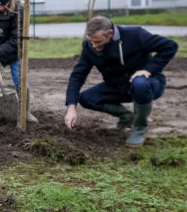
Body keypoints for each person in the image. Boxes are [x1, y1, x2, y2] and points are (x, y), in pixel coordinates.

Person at [64, 16, 178, 147]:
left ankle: (140, 127)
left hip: (148, 84)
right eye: (91, 41)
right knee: (85, 98)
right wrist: (71, 107)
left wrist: (148, 69)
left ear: (110, 33)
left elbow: (170, 46)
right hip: (118, 86)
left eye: (98, 41)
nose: (94, 46)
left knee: (139, 83)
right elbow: (77, 76)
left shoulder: (135, 35)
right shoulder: (89, 47)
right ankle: (127, 117)